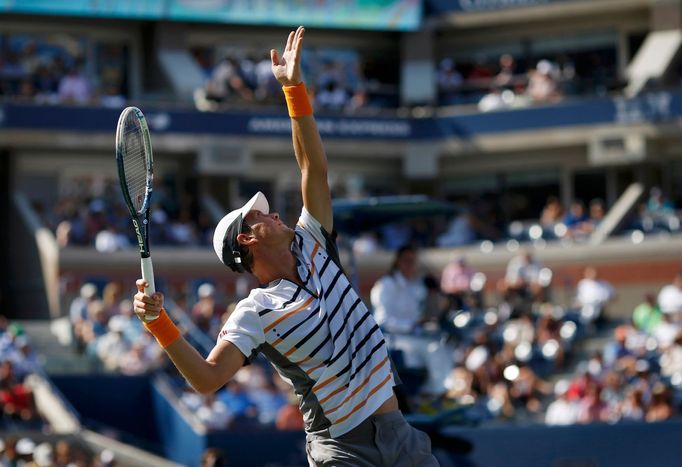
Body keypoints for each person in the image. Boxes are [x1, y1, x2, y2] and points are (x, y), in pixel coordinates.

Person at [133, 27, 437, 467]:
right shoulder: (255, 312)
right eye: (263, 216)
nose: (276, 214)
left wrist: (294, 90)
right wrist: (158, 322)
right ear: (247, 240)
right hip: (342, 451)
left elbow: (312, 166)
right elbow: (206, 378)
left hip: (400, 435)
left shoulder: (313, 242)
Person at [371, 246, 454, 397]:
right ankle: (433, 395)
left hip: (412, 336)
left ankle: (436, 393)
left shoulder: (415, 286)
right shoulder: (386, 285)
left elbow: (425, 312)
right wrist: (412, 325)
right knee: (435, 349)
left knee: (446, 345)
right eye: (407, 261)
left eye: (413, 262)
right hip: (392, 339)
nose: (411, 266)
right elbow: (382, 320)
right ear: (398, 262)